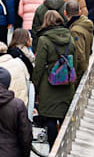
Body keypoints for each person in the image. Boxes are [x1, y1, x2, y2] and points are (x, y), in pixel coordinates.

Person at [31, 10, 76, 148]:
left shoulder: (44, 40)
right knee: (64, 117)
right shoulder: (70, 36)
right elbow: (75, 57)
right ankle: (65, 146)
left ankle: (53, 149)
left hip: (49, 84)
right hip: (67, 83)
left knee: (50, 118)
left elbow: (39, 66)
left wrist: (35, 86)